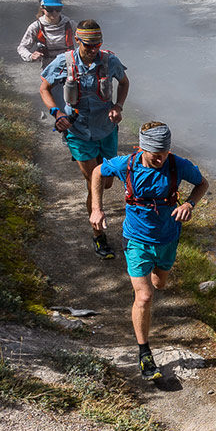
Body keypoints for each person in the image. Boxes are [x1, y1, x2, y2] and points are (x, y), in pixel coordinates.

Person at [89, 121, 207, 382]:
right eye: (155, 154)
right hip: (136, 240)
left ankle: (154, 285)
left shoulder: (178, 165)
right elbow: (98, 172)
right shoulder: (126, 165)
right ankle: (144, 353)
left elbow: (202, 184)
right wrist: (96, 208)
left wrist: (189, 203)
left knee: (159, 283)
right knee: (144, 296)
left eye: (164, 154)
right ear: (141, 148)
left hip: (167, 238)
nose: (160, 159)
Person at [39, 19, 130, 259]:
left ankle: (95, 205)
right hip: (78, 131)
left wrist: (118, 106)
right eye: (88, 45)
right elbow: (44, 88)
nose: (93, 49)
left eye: (97, 44)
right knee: (94, 181)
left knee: (107, 182)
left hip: (106, 129)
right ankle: (99, 236)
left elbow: (124, 82)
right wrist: (56, 113)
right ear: (78, 41)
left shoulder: (110, 60)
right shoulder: (64, 62)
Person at [17, 0, 76, 69]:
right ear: (42, 9)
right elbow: (22, 47)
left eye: (58, 8)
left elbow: (85, 40)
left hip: (69, 65)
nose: (54, 12)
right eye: (50, 9)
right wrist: (30, 56)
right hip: (48, 67)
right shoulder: (36, 27)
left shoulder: (71, 25)